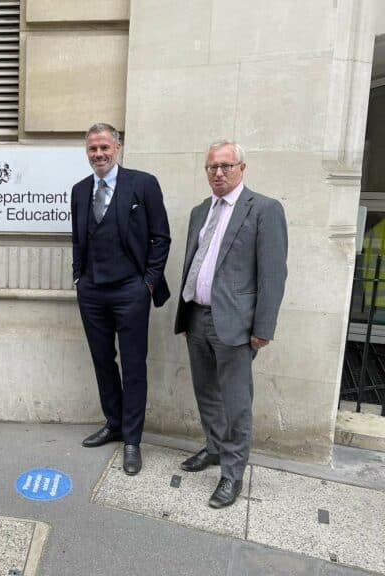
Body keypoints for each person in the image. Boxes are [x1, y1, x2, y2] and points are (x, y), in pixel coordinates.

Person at [174, 140, 288, 508]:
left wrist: (263, 329)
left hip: (235, 326)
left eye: (226, 166)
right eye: (212, 167)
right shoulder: (199, 210)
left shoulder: (264, 210)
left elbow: (273, 274)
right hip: (196, 317)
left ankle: (232, 474)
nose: (218, 173)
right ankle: (213, 448)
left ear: (242, 168)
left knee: (236, 403)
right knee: (206, 392)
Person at [71, 123, 171, 475]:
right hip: (93, 291)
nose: (98, 154)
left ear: (118, 147)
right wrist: (78, 278)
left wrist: (147, 283)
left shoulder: (142, 184)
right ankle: (113, 423)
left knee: (133, 365)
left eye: (104, 147)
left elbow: (161, 237)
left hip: (131, 290)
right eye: (92, 149)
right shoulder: (80, 190)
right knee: (102, 361)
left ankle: (132, 439)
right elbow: (78, 239)